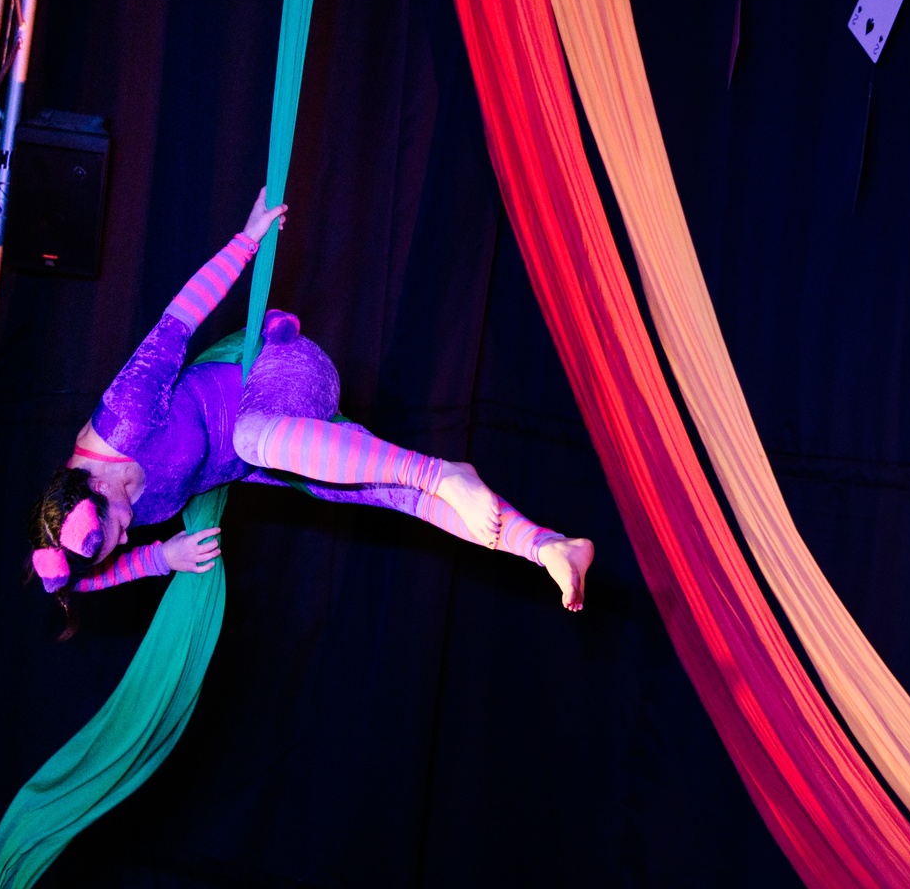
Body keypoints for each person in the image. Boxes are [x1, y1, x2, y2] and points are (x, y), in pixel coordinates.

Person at [29, 190, 594, 610]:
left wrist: (247, 239)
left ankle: (442, 473)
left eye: (119, 530)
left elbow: (179, 318)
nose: (128, 536)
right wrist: (158, 559)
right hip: (279, 455)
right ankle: (548, 548)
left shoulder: (123, 419)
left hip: (281, 373)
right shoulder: (97, 521)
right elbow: (87, 580)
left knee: (254, 437)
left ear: (96, 490)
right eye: (120, 542)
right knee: (390, 496)